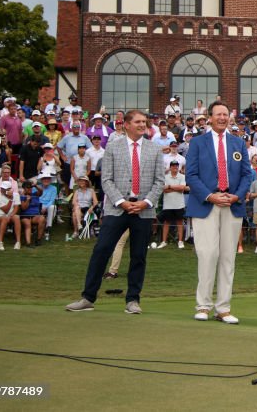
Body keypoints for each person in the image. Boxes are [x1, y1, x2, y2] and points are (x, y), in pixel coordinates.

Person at [65, 110, 165, 314]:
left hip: (143, 211)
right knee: (101, 251)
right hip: (116, 209)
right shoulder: (112, 147)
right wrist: (122, 202)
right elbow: (106, 180)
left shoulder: (155, 149)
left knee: (138, 256)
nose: (142, 125)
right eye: (137, 121)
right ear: (126, 125)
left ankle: (133, 300)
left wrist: (145, 202)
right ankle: (87, 297)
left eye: (144, 122)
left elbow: (159, 182)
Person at [185, 101, 255, 324]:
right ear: (210, 117)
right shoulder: (197, 143)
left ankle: (223, 308)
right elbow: (192, 176)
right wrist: (210, 196)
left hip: (231, 204)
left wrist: (237, 195)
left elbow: (246, 174)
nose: (223, 118)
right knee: (207, 255)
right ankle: (203, 305)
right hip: (207, 203)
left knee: (228, 257)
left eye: (226, 114)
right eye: (218, 114)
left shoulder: (238, 143)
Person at [156, 160, 188, 249]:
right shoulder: (165, 177)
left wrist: (170, 187)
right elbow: (163, 189)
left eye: (176, 166)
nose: (175, 167)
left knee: (179, 222)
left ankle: (180, 241)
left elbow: (182, 188)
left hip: (179, 204)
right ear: (170, 167)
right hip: (168, 204)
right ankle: (164, 241)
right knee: (167, 222)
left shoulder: (182, 176)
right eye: (173, 166)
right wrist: (175, 188)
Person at [70, 175, 99, 239]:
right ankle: (79, 226)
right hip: (79, 208)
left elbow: (96, 202)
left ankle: (76, 232)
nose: (81, 182)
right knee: (76, 210)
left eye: (83, 181)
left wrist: (92, 207)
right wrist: (76, 206)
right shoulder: (77, 191)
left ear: (86, 182)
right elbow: (73, 202)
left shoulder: (91, 190)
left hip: (87, 208)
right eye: (80, 181)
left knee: (74, 213)